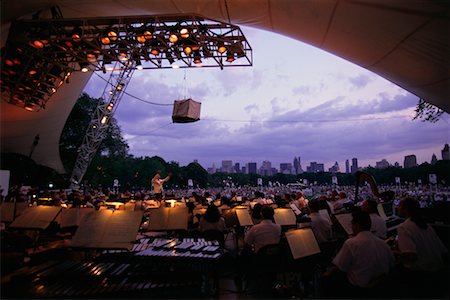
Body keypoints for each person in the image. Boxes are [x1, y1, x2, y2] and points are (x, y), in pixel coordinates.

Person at [322, 211, 394, 297]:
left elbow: (340, 267)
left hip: (360, 290)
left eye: (352, 224)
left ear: (357, 225)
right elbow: (391, 263)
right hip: (382, 287)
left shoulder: (351, 243)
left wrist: (327, 273)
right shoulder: (382, 243)